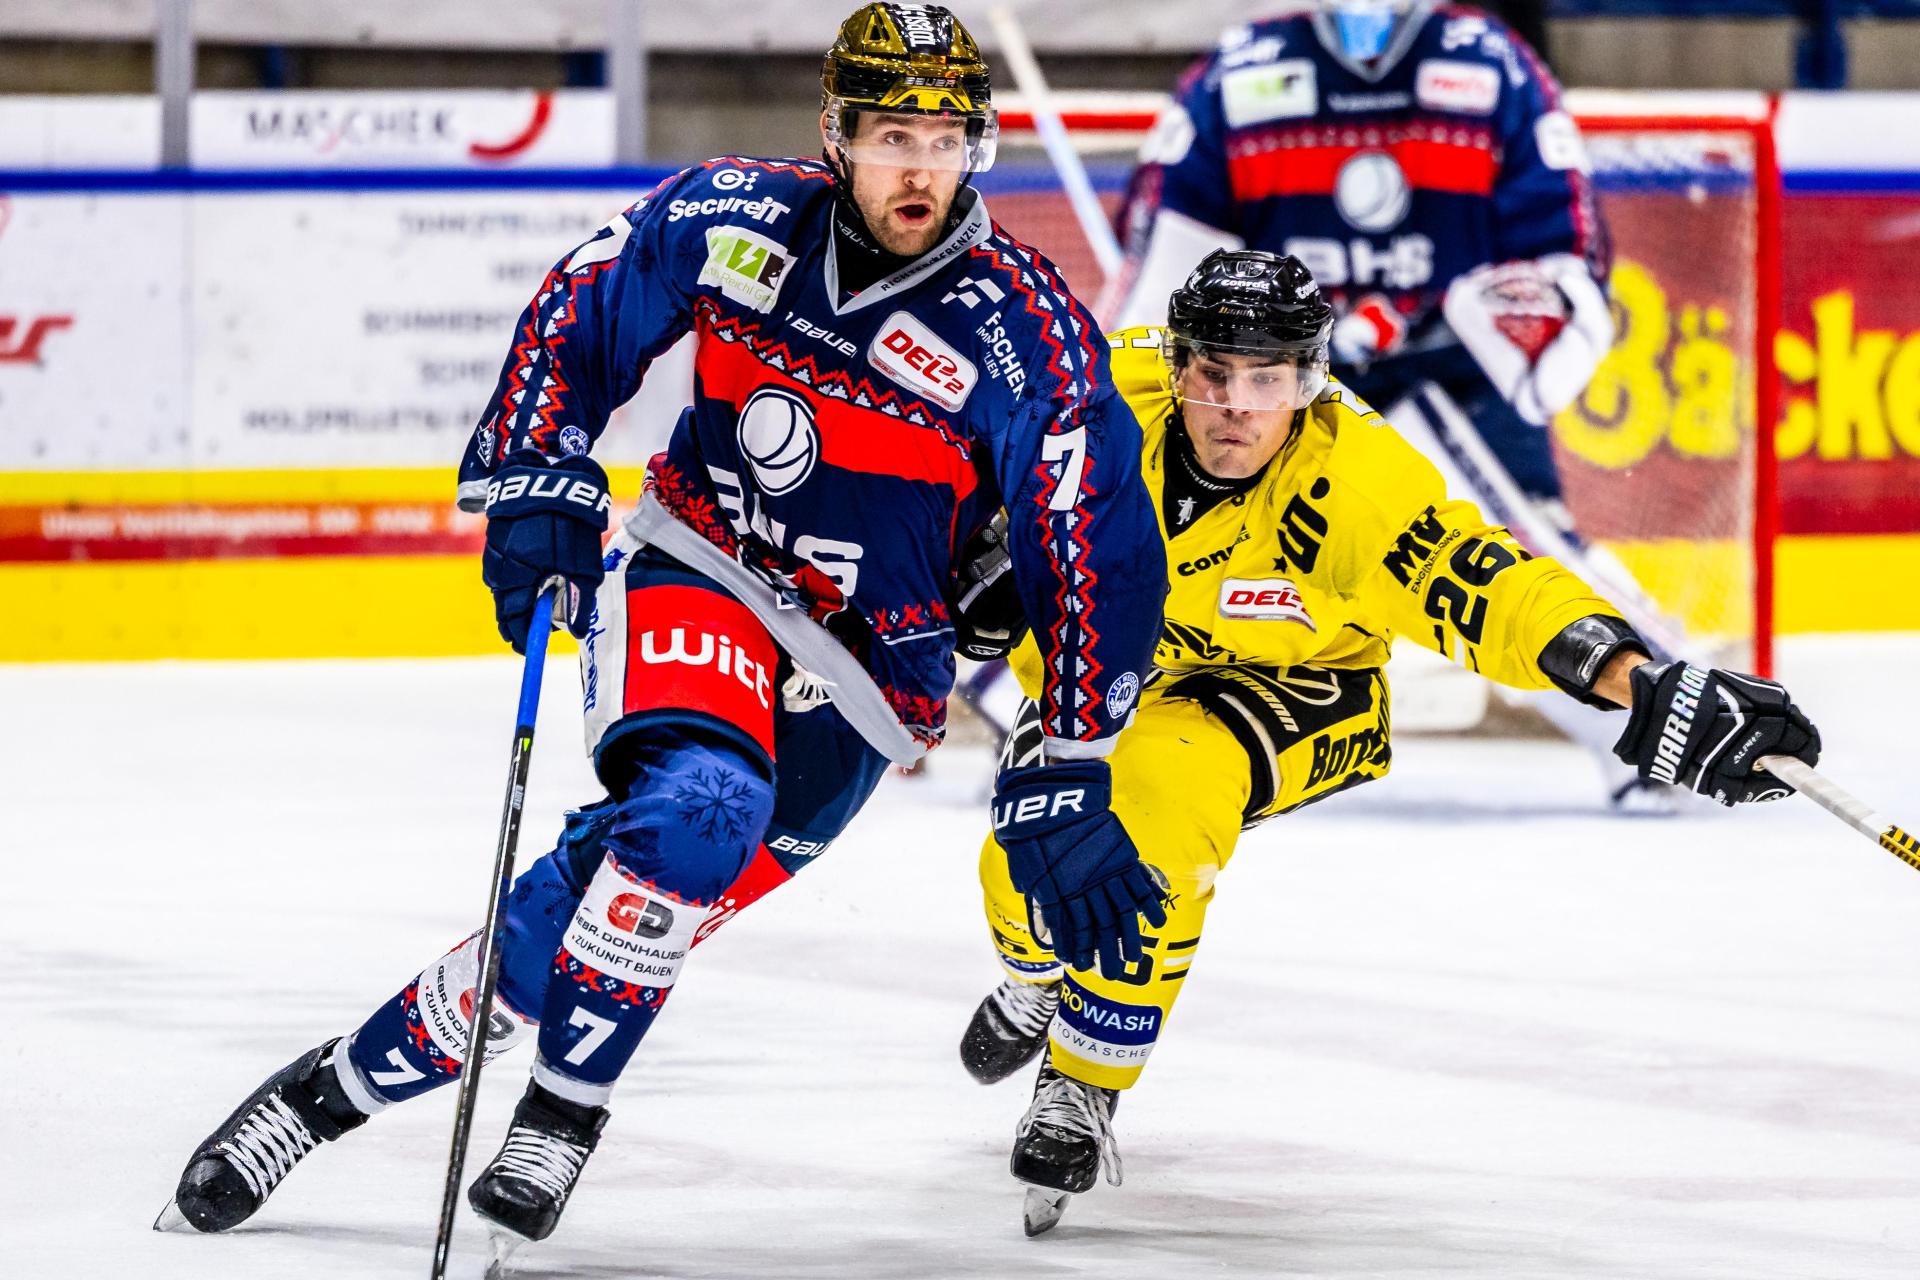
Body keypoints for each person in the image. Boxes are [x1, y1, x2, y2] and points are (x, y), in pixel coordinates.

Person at [157, 3, 1167, 1252]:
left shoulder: (1026, 330)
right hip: (702, 569)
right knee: (700, 807)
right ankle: (562, 1115)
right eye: (889, 132)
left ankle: (319, 1096)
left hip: (867, 680)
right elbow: (593, 295)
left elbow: (1100, 545)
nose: (919, 164)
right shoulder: (734, 217)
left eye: (946, 136)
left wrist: (1072, 757)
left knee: (594, 914)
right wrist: (538, 470)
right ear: (835, 134)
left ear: (981, 143)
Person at [953, 249, 1822, 1235]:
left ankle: (1082, 1079)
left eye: (1269, 378)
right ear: (1178, 364)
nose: (1237, 405)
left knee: (1159, 810)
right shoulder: (1089, 396)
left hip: (1289, 685)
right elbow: (939, 472)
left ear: (1311, 382)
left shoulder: (1355, 485)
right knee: (1024, 864)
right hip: (1106, 667)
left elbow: (1494, 585)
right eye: (1214, 374)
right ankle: (1033, 972)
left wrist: (1639, 676)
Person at [1106, 1, 1656, 804]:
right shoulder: (1239, 73)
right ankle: (1063, 704)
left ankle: (1650, 732)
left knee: (1523, 566)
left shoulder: (1490, 62)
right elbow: (1162, 289)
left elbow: (1568, 251)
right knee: (1152, 540)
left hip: (1449, 375)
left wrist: (1501, 308)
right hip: (1280, 391)